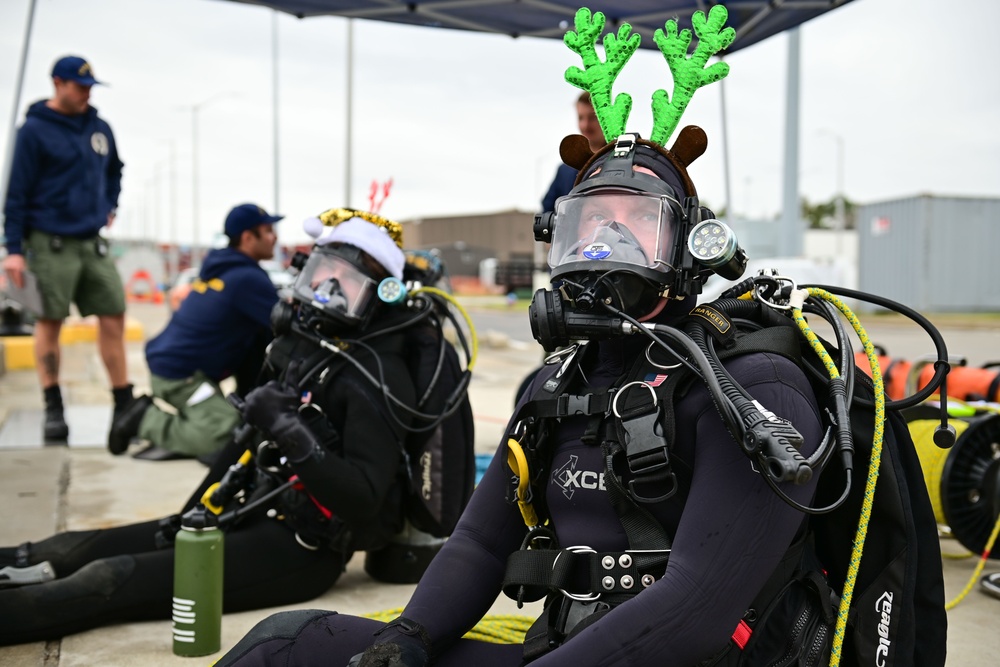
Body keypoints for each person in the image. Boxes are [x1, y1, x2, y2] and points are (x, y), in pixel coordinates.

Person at [0, 215, 423, 646]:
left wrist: (289, 429)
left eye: (344, 281)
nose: (326, 289)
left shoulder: (378, 374)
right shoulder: (309, 349)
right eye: (321, 273)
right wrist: (187, 518)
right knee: (79, 548)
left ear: (377, 295)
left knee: (107, 577)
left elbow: (364, 498)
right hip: (251, 509)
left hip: (302, 548)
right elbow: (242, 441)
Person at [1, 55, 132, 443]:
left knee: (114, 315)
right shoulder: (34, 131)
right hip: (48, 241)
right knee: (49, 322)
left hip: (92, 241)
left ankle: (123, 404)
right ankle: (53, 405)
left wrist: (111, 204)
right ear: (57, 83)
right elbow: (16, 194)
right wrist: (14, 249)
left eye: (89, 87)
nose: (85, 94)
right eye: (79, 87)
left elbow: (116, 169)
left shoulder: (100, 127)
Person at [107, 203, 283, 461]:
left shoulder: (224, 269)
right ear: (247, 238)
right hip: (181, 376)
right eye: (267, 230)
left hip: (175, 364)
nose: (274, 237)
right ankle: (143, 419)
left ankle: (198, 417)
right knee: (228, 435)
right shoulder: (248, 279)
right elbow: (287, 324)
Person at [539, 91, 605, 213]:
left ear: (606, 118)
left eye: (592, 118)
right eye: (581, 118)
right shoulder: (565, 171)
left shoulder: (627, 163)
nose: (585, 125)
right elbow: (547, 212)